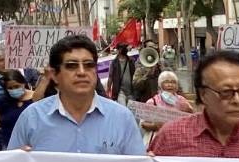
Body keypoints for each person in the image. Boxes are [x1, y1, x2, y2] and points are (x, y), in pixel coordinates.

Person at [8, 35, 144, 155]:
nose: (81, 72)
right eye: (72, 66)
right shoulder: (31, 118)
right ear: (55, 75)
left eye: (89, 65)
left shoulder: (122, 118)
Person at [139, 70, 194, 142]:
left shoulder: (182, 100)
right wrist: (155, 126)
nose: (170, 85)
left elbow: (192, 121)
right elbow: (143, 124)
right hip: (158, 140)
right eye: (166, 82)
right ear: (160, 84)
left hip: (179, 140)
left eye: (173, 82)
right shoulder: (152, 101)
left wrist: (189, 111)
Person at [0, 69, 34, 147]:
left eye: (17, 86)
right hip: (9, 144)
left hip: (33, 145)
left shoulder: (35, 99)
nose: (14, 90)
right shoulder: (3, 101)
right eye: (10, 88)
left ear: (23, 83)